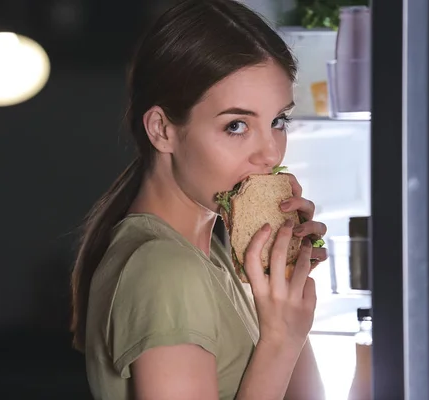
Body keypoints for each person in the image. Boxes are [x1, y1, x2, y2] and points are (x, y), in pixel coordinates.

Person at [70, 0, 329, 399]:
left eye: (278, 121)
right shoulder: (167, 270)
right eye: (237, 125)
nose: (271, 154)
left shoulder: (217, 258)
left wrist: (287, 279)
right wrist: (279, 340)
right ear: (162, 130)